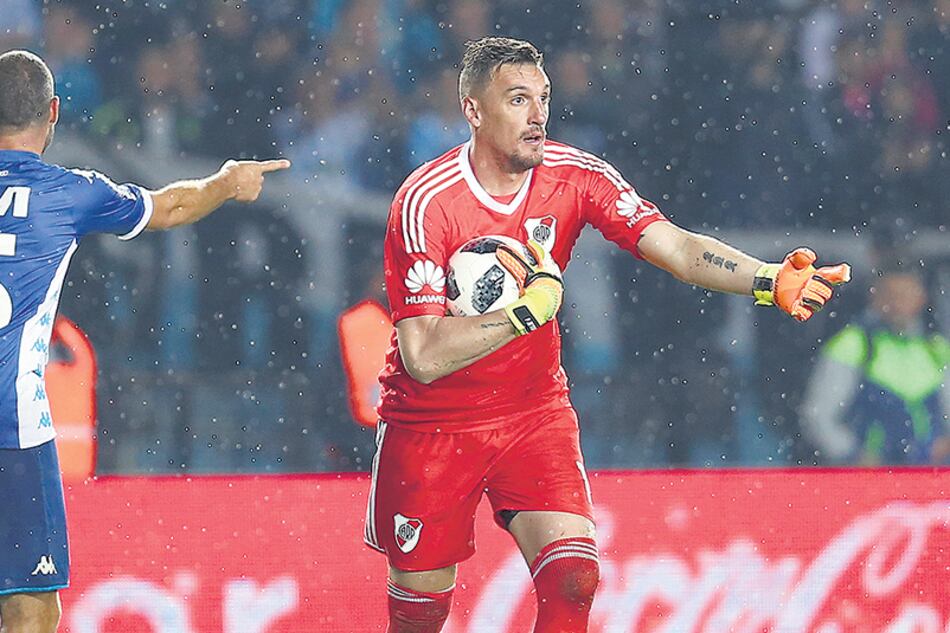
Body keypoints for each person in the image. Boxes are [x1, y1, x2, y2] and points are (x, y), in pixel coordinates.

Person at [365, 36, 851, 632]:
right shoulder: (425, 202)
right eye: (517, 100)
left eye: (543, 98)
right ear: (473, 110)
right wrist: (524, 313)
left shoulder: (574, 176)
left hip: (530, 411)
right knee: (419, 618)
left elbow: (674, 246)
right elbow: (422, 355)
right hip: (432, 423)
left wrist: (765, 278)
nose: (537, 114)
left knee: (574, 578)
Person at [0, 50, 289, 633]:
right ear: (53, 112)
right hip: (13, 431)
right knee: (30, 606)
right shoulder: (69, 193)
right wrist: (228, 181)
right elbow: (171, 205)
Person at [800, 260, 950, 466]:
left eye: (906, 295)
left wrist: (944, 445)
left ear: (922, 298)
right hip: (867, 477)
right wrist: (853, 455)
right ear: (875, 298)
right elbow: (818, 416)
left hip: (928, 475)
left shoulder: (937, 349)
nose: (899, 303)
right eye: (891, 295)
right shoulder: (852, 344)